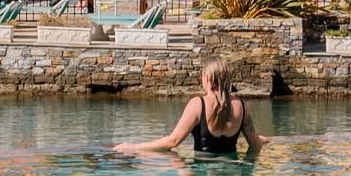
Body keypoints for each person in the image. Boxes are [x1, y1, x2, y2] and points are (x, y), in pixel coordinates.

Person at [114, 59, 267, 156]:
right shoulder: (241, 106)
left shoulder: (198, 105)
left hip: (202, 172)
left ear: (206, 78)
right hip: (231, 174)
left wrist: (134, 147)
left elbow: (172, 141)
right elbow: (255, 145)